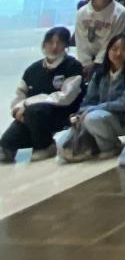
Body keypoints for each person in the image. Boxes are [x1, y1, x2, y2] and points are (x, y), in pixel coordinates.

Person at [1, 27, 84, 163]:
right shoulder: (32, 70)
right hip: (31, 116)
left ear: (66, 46)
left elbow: (66, 97)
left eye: (59, 43)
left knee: (35, 111)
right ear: (44, 44)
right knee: (5, 146)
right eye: (50, 42)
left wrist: (28, 103)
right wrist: (16, 110)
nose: (54, 47)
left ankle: (46, 146)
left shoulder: (73, 66)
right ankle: (13, 145)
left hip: (62, 113)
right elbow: (20, 95)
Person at [66, 33, 125, 160]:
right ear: (108, 50)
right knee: (64, 145)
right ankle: (94, 145)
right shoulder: (100, 73)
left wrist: (93, 109)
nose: (118, 53)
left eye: (124, 49)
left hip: (124, 120)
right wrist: (79, 114)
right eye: (114, 49)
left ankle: (110, 146)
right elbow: (89, 99)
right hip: (99, 115)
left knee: (92, 118)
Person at [75, 0, 125, 76]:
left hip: (108, 57)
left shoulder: (120, 12)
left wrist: (97, 62)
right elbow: (80, 38)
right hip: (85, 59)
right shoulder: (82, 12)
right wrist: (86, 62)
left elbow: (113, 39)